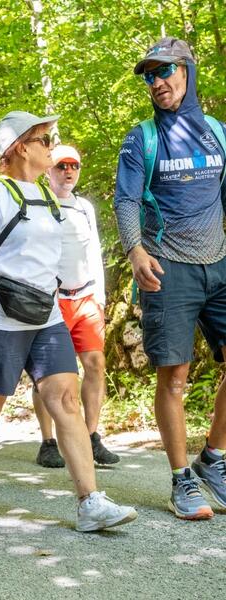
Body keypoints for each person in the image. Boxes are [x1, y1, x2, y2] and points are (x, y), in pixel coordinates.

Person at [0, 110, 137, 532]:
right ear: (20, 147)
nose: (51, 147)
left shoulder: (48, 197)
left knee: (67, 400)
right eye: (44, 140)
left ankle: (90, 502)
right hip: (0, 317)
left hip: (47, 315)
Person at [115, 37, 226, 520]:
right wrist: (135, 250)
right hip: (167, 266)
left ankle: (213, 459)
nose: (156, 82)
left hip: (219, 263)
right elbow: (125, 200)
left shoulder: (217, 133)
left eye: (164, 71)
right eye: (149, 76)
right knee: (174, 376)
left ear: (187, 71)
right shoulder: (141, 138)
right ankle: (182, 479)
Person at [32, 145, 119, 468]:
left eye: (74, 166)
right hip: (51, 300)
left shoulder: (84, 208)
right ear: (48, 170)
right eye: (61, 166)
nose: (68, 171)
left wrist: (100, 296)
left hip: (86, 298)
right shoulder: (39, 203)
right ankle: (48, 441)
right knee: (48, 373)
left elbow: (93, 250)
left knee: (95, 364)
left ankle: (92, 436)